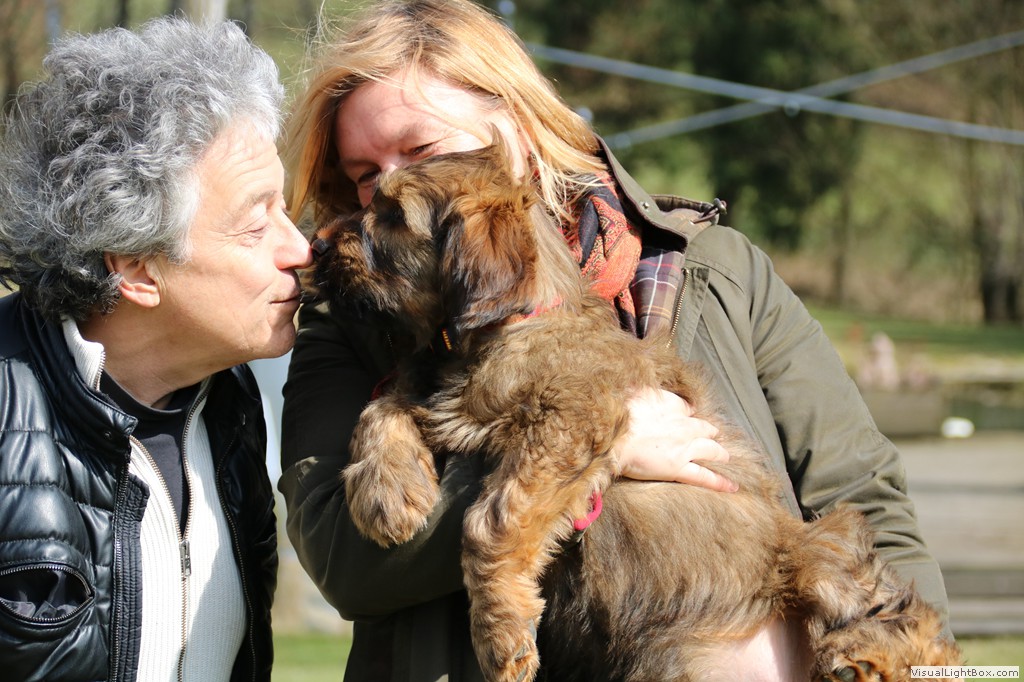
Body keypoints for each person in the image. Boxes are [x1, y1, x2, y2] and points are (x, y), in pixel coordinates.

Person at [278, 0, 951, 679]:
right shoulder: (348, 325)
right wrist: (605, 451)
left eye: (422, 149)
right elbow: (339, 557)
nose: (391, 185)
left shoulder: (718, 272)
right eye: (365, 175)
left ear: (516, 129)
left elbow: (863, 495)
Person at [0, 17, 312, 682]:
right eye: (255, 225)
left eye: (285, 210)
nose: (300, 249)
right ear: (137, 269)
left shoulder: (230, 404)